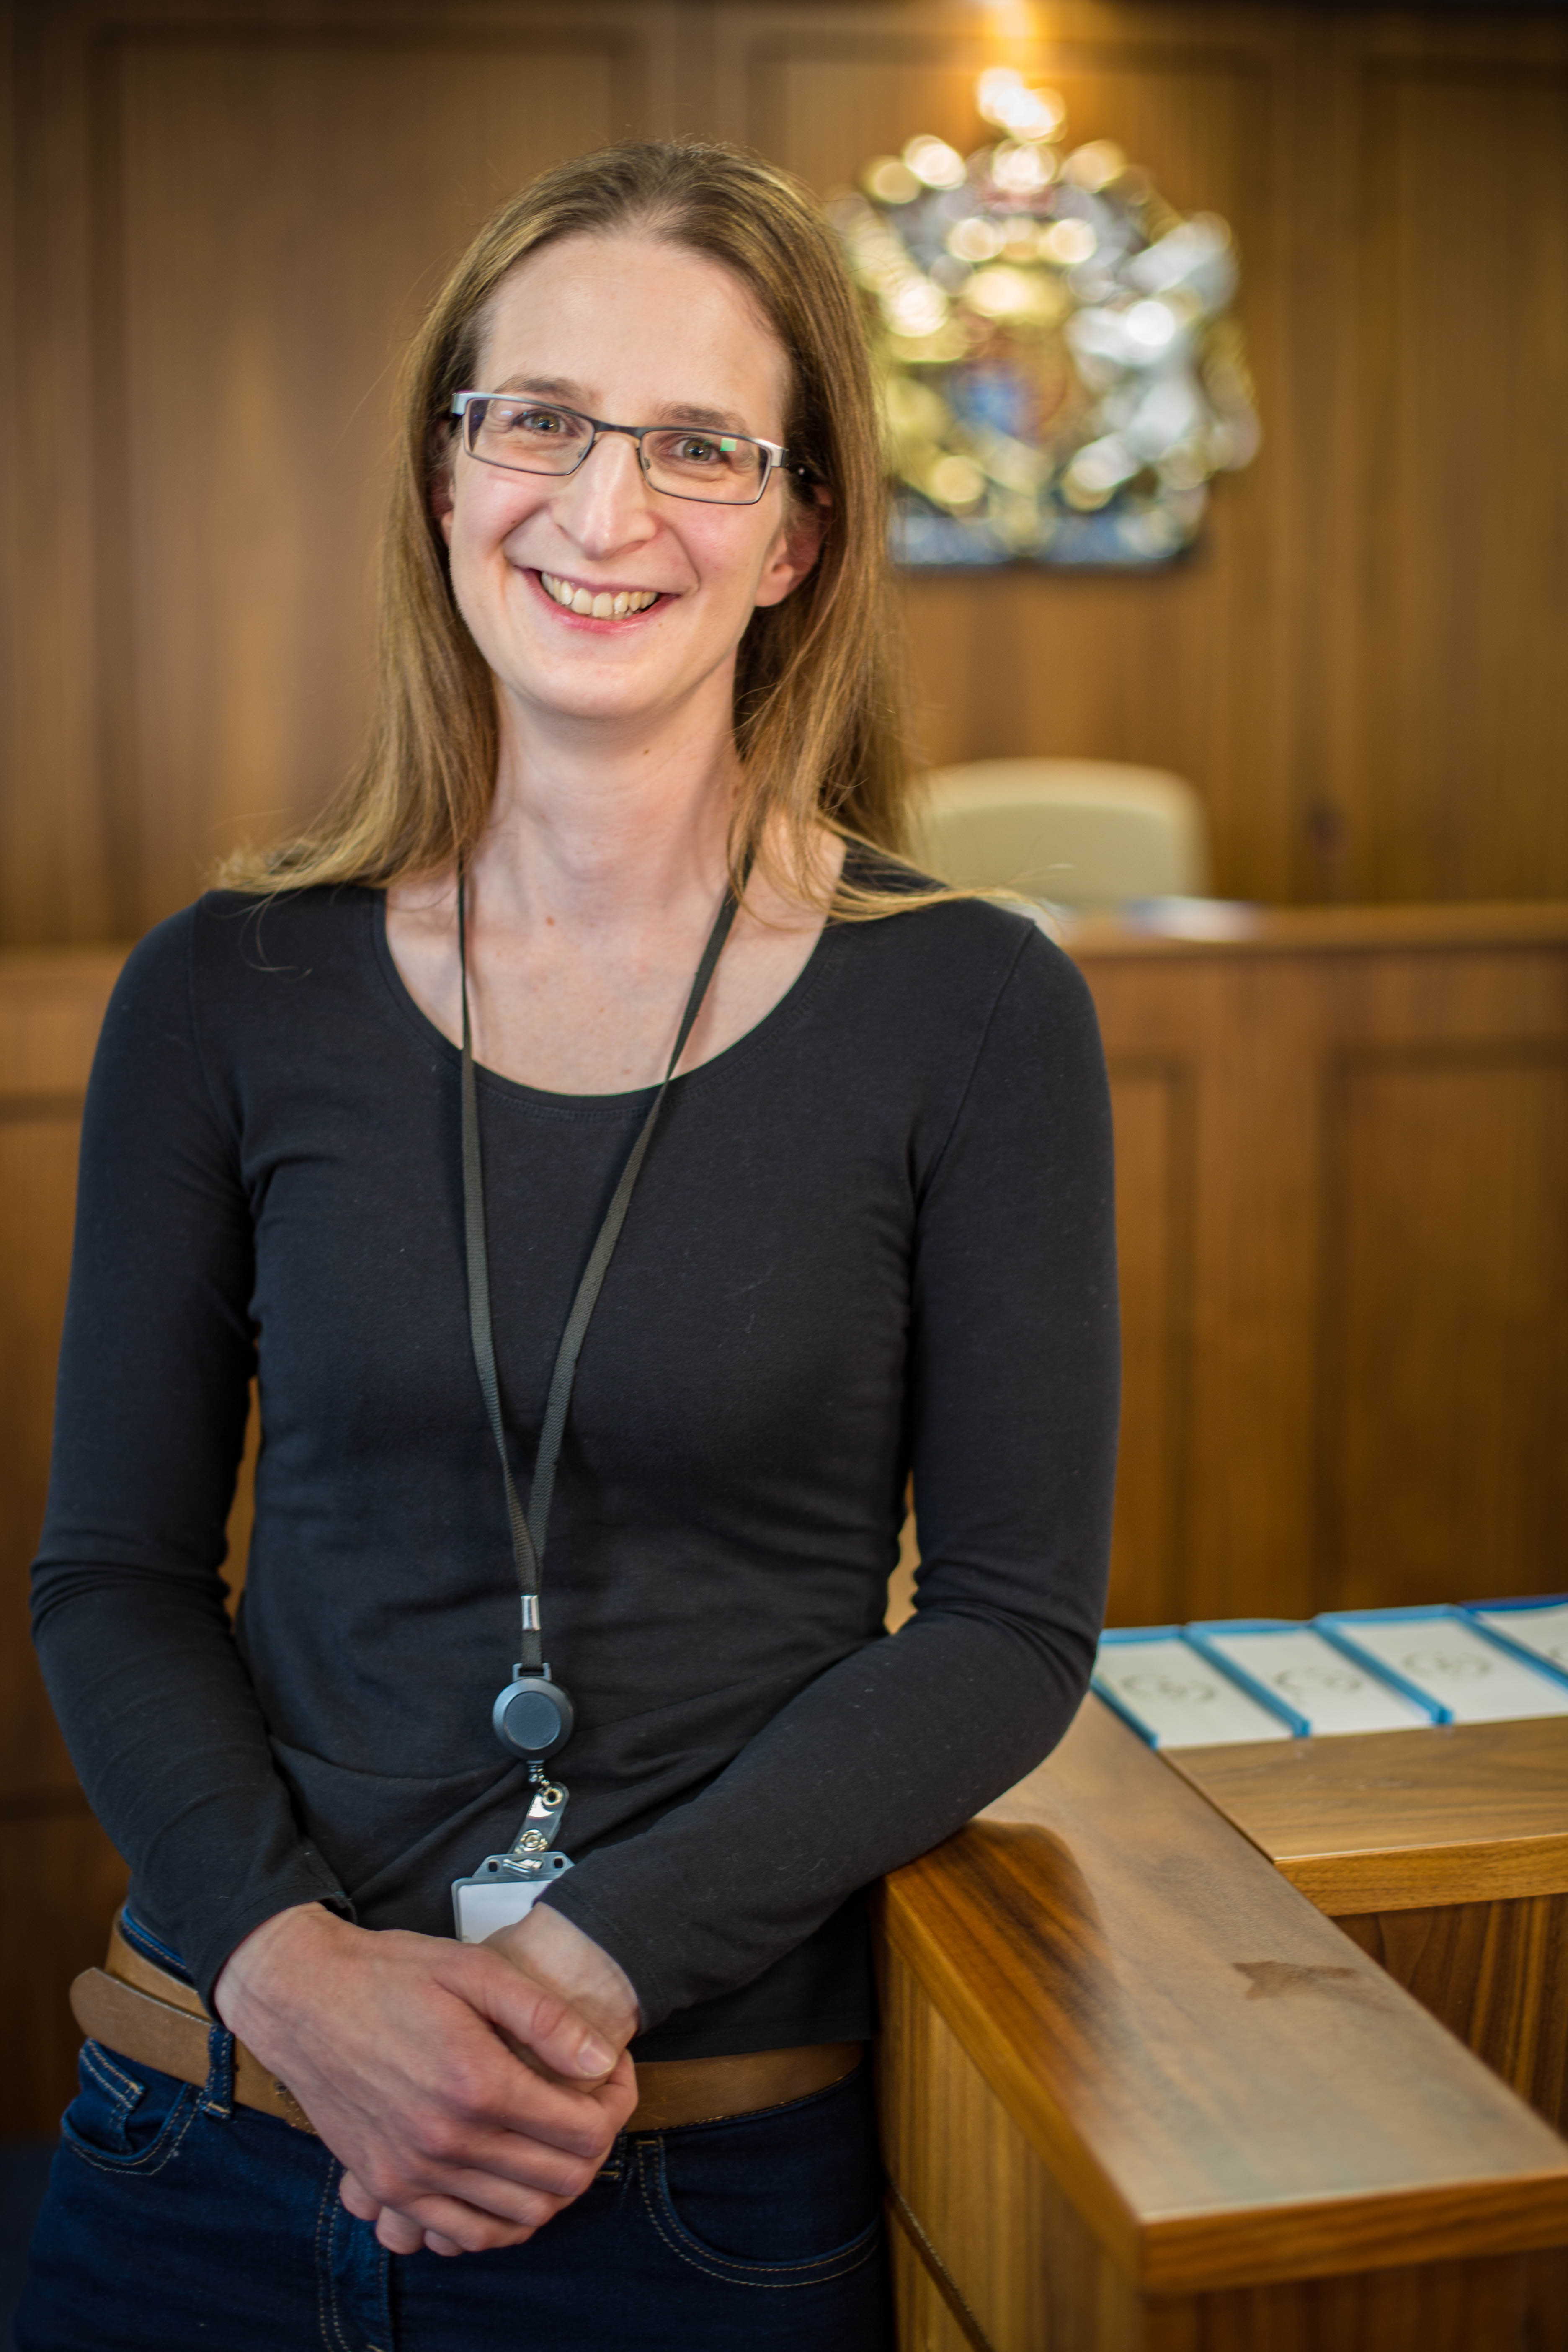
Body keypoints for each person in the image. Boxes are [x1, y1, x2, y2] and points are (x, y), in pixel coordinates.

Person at [19, 139, 1118, 2350]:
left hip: (696, 2190)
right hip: (206, 2145)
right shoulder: (227, 986)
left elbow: (1007, 1626)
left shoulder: (978, 1005)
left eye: (700, 445)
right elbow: (113, 1576)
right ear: (447, 472)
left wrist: (574, 1964)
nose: (604, 512)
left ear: (801, 535)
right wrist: (299, 1980)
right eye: (538, 420)